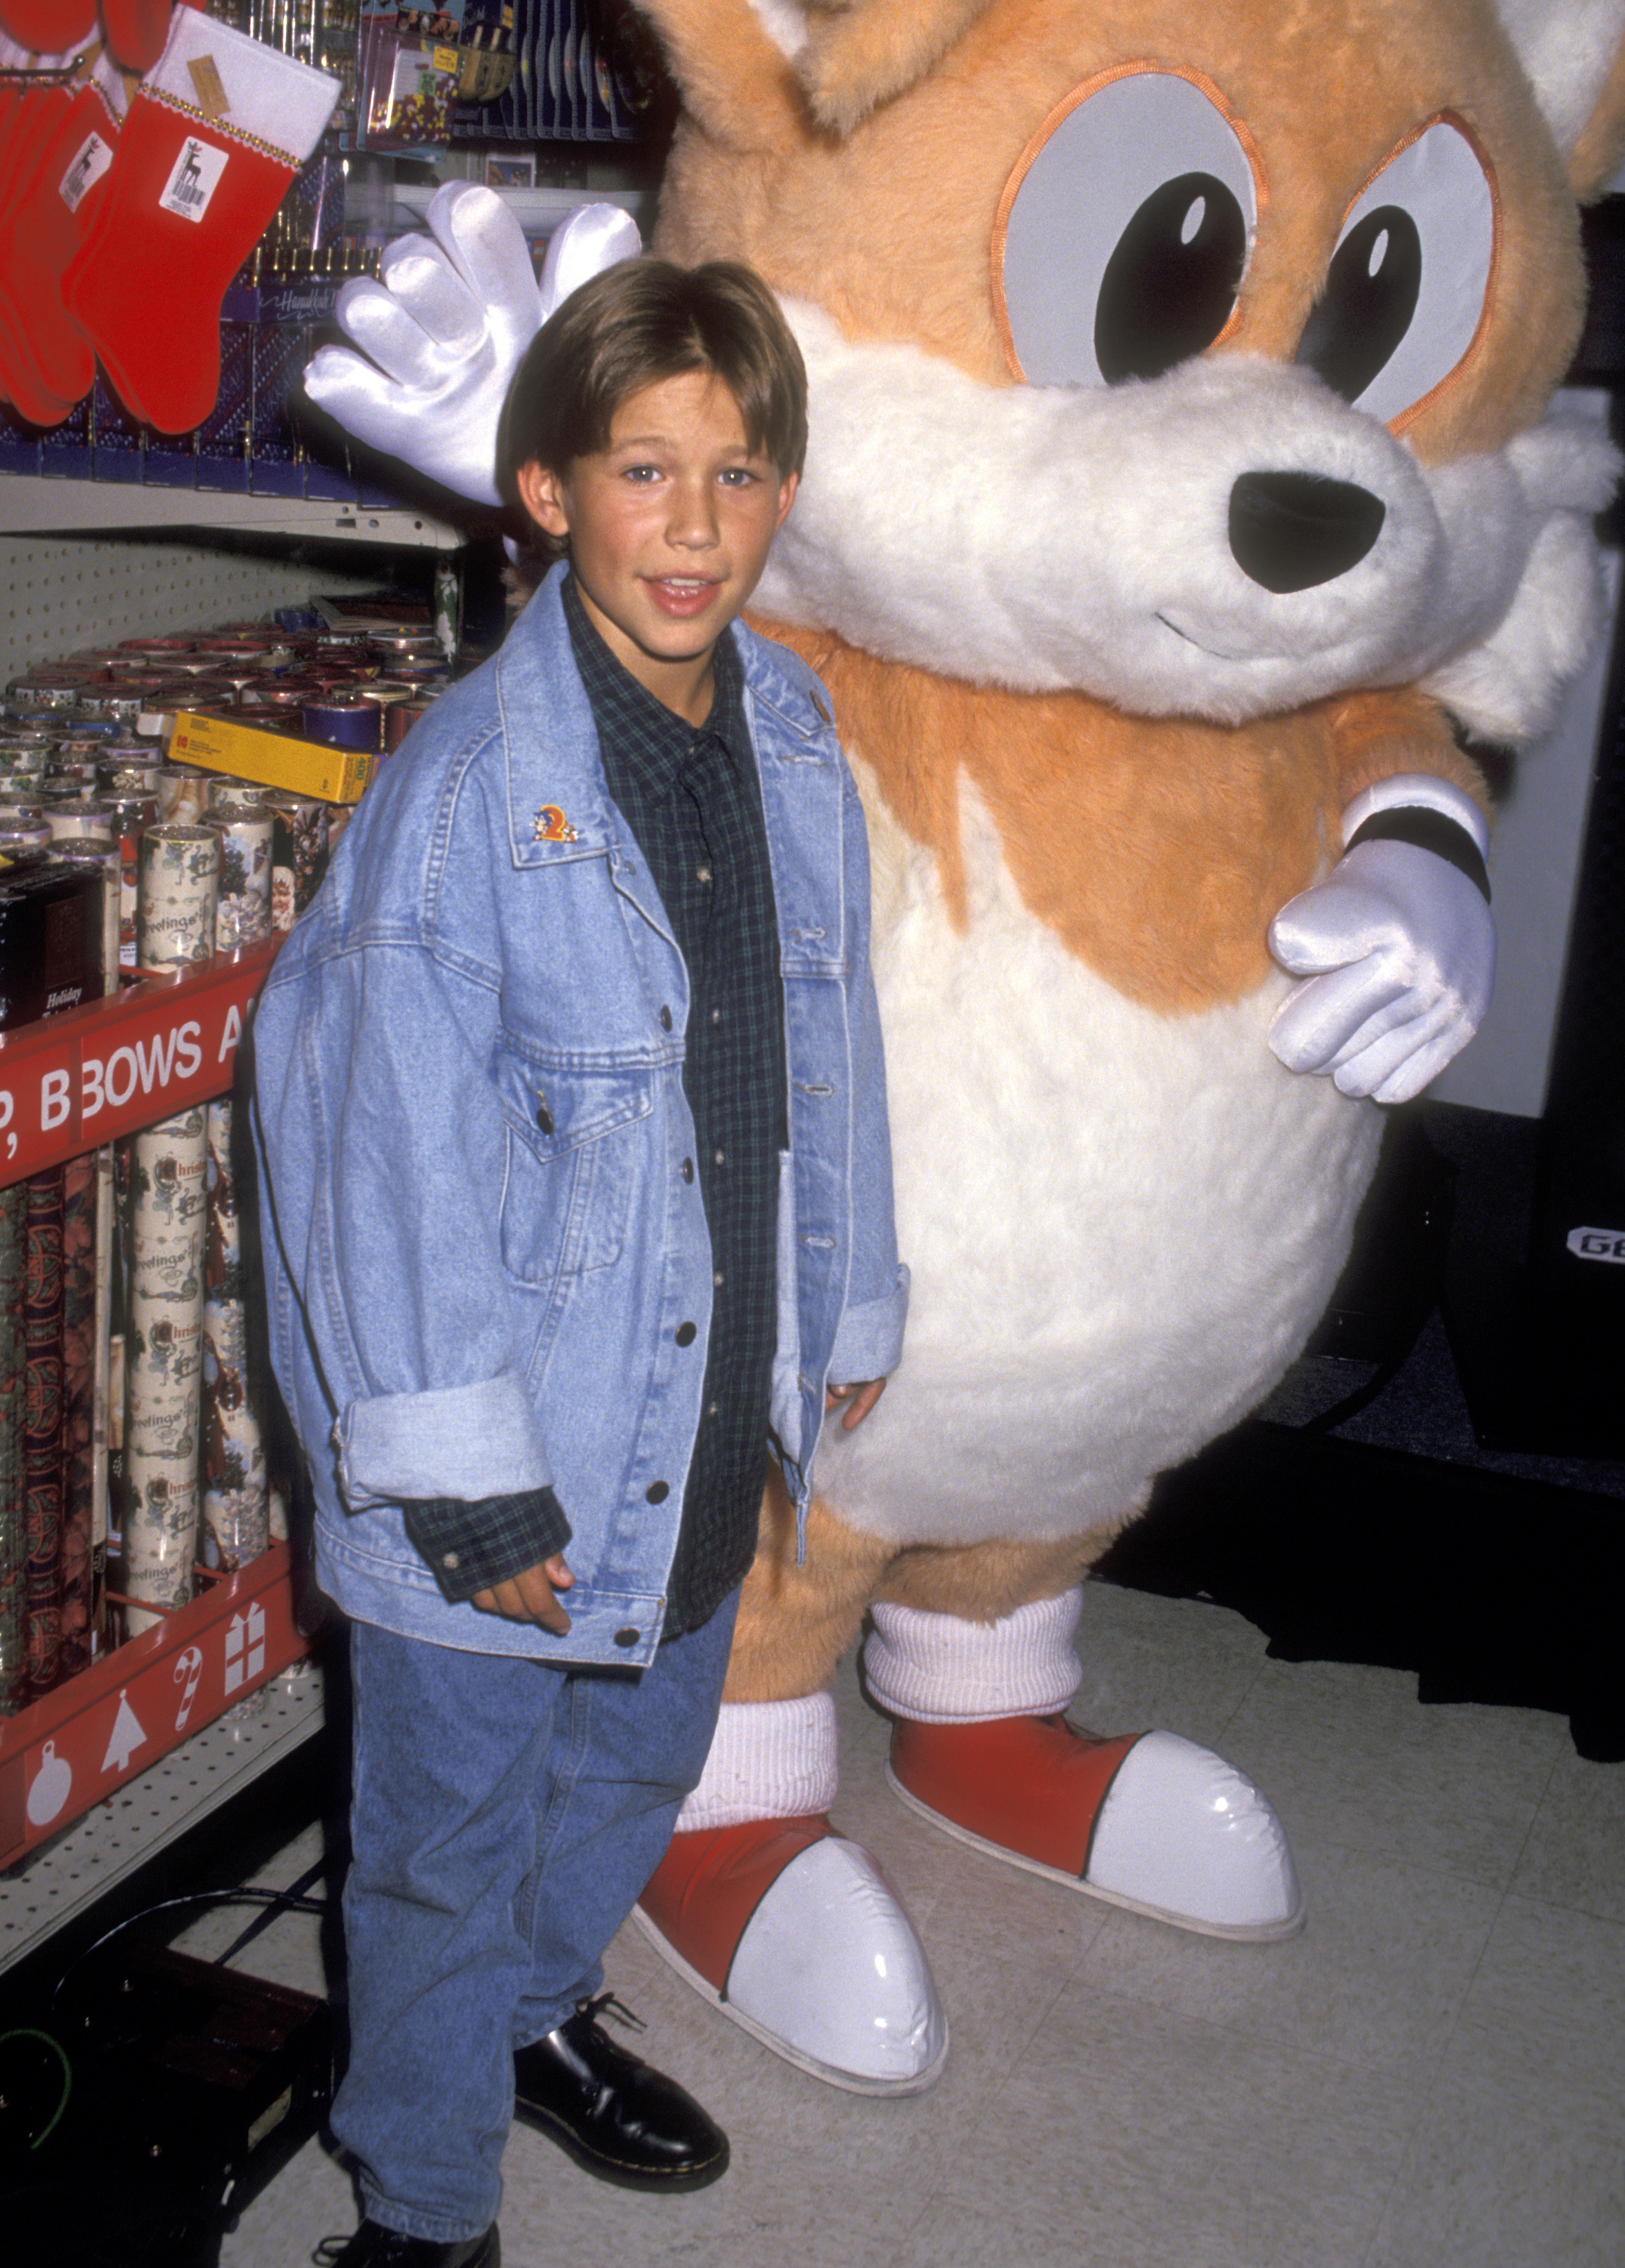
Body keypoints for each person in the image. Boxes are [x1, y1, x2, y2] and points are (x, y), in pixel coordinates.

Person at [251, 256, 907, 2268]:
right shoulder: (463, 804)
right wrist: (465, 1491)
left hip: (696, 1411)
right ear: (547, 489)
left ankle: (537, 2010)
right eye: (643, 468)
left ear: (783, 489)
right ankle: (426, 2207)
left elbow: (831, 1039)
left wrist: (852, 1295)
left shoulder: (792, 735)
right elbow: (378, 1167)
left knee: (634, 1759)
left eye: (733, 470)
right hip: (512, 1456)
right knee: (443, 1850)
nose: (693, 522)